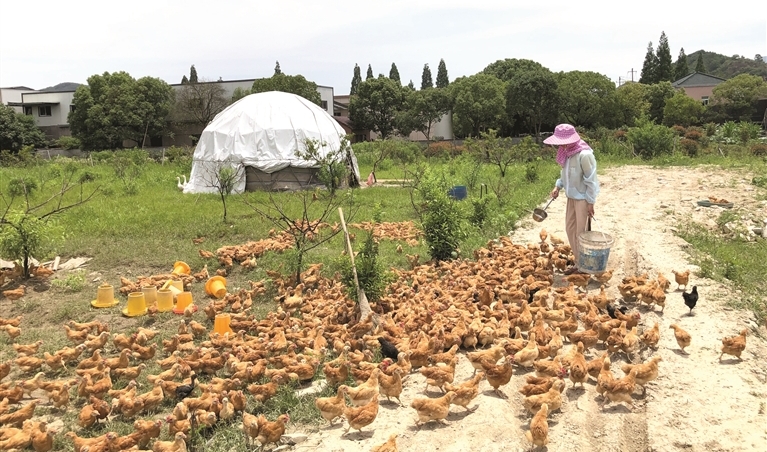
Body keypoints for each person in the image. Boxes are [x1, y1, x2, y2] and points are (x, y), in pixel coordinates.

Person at [544, 124, 600, 275]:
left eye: (563, 141)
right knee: (570, 229)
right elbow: (566, 175)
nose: (561, 145)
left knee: (580, 233)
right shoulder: (567, 153)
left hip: (582, 199)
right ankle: (578, 262)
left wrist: (590, 202)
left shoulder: (584, 155)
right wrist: (558, 187)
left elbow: (591, 180)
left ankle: (583, 266)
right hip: (571, 198)